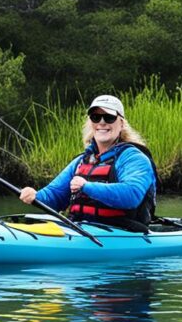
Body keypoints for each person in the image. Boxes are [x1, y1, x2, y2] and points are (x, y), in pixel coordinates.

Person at [19, 94, 157, 230]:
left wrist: (87, 187)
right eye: (96, 117)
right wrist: (35, 196)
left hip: (123, 232)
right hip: (82, 230)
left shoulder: (134, 158)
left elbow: (132, 195)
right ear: (91, 123)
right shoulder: (82, 161)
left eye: (109, 117)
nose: (102, 122)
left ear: (121, 124)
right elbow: (55, 196)